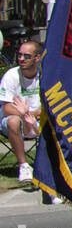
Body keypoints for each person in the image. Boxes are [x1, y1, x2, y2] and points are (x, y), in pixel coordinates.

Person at [2, 39, 43, 187]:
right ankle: (24, 166)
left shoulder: (44, 75)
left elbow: (51, 104)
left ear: (37, 58)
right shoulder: (11, 75)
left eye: (26, 56)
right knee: (13, 121)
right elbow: (6, 108)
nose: (21, 59)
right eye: (19, 55)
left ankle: (52, 165)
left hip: (39, 119)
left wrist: (32, 114)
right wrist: (27, 114)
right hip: (17, 121)